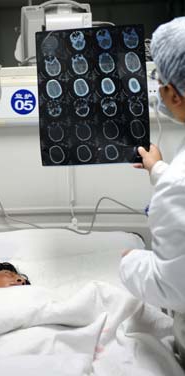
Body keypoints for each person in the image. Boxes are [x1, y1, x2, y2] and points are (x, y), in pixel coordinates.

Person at [119, 17, 185, 366]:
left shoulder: (177, 183)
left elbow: (175, 289)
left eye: (160, 80)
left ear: (173, 93)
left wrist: (131, 264)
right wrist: (158, 169)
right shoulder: (176, 179)